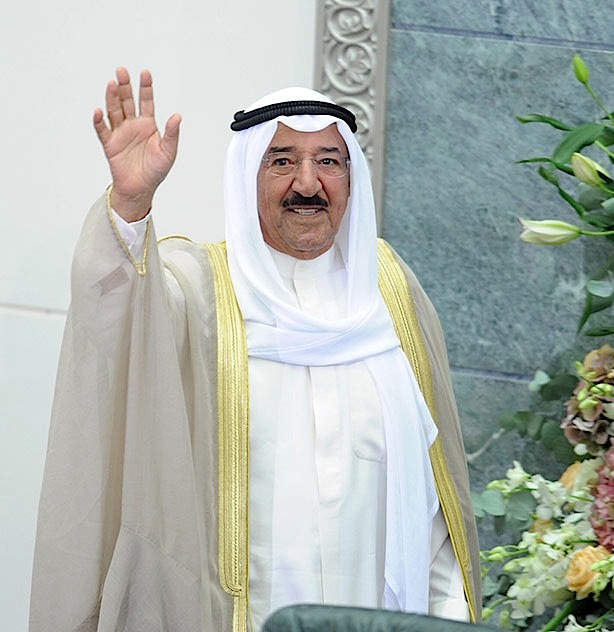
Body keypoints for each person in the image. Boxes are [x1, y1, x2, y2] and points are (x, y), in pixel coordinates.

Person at [29, 68, 481, 632]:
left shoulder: (389, 293)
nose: (308, 183)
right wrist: (130, 204)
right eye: (282, 160)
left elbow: (434, 499)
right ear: (249, 175)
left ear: (351, 179)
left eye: (329, 161)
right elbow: (114, 319)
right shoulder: (199, 291)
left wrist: (451, 617)